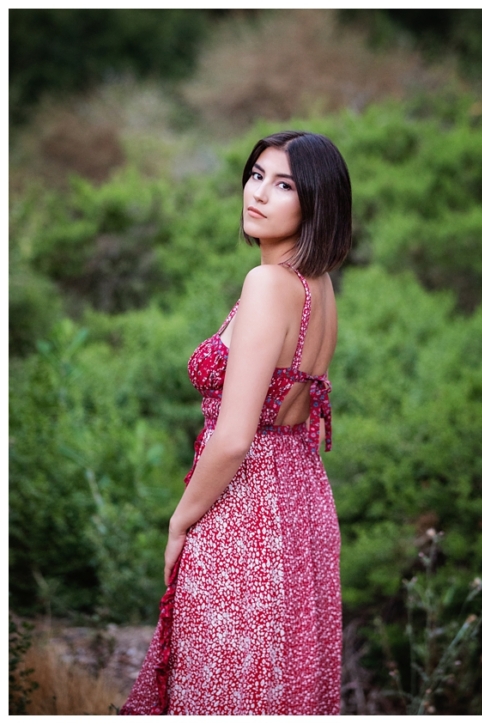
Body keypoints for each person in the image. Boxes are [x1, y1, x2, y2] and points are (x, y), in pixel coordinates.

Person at [122, 131, 351, 714]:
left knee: (225, 688)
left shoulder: (268, 284)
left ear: (316, 202)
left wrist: (179, 523)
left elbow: (233, 438)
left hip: (246, 515)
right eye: (255, 176)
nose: (258, 194)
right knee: (281, 682)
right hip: (303, 506)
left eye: (284, 185)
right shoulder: (317, 287)